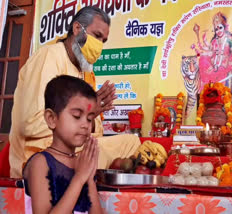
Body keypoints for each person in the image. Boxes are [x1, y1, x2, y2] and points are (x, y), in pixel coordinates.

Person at [9, 6, 140, 178]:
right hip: (40, 154)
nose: (99, 45)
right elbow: (30, 125)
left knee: (131, 143)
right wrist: (81, 116)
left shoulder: (86, 73)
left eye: (104, 41)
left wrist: (92, 116)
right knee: (97, 154)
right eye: (97, 36)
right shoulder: (49, 57)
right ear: (77, 28)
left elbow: (95, 132)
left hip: (73, 147)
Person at [23, 75, 103, 213]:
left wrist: (89, 179)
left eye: (90, 119)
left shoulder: (82, 163)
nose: (85, 125)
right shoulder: (41, 163)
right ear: (51, 119)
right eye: (77, 116)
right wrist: (79, 178)